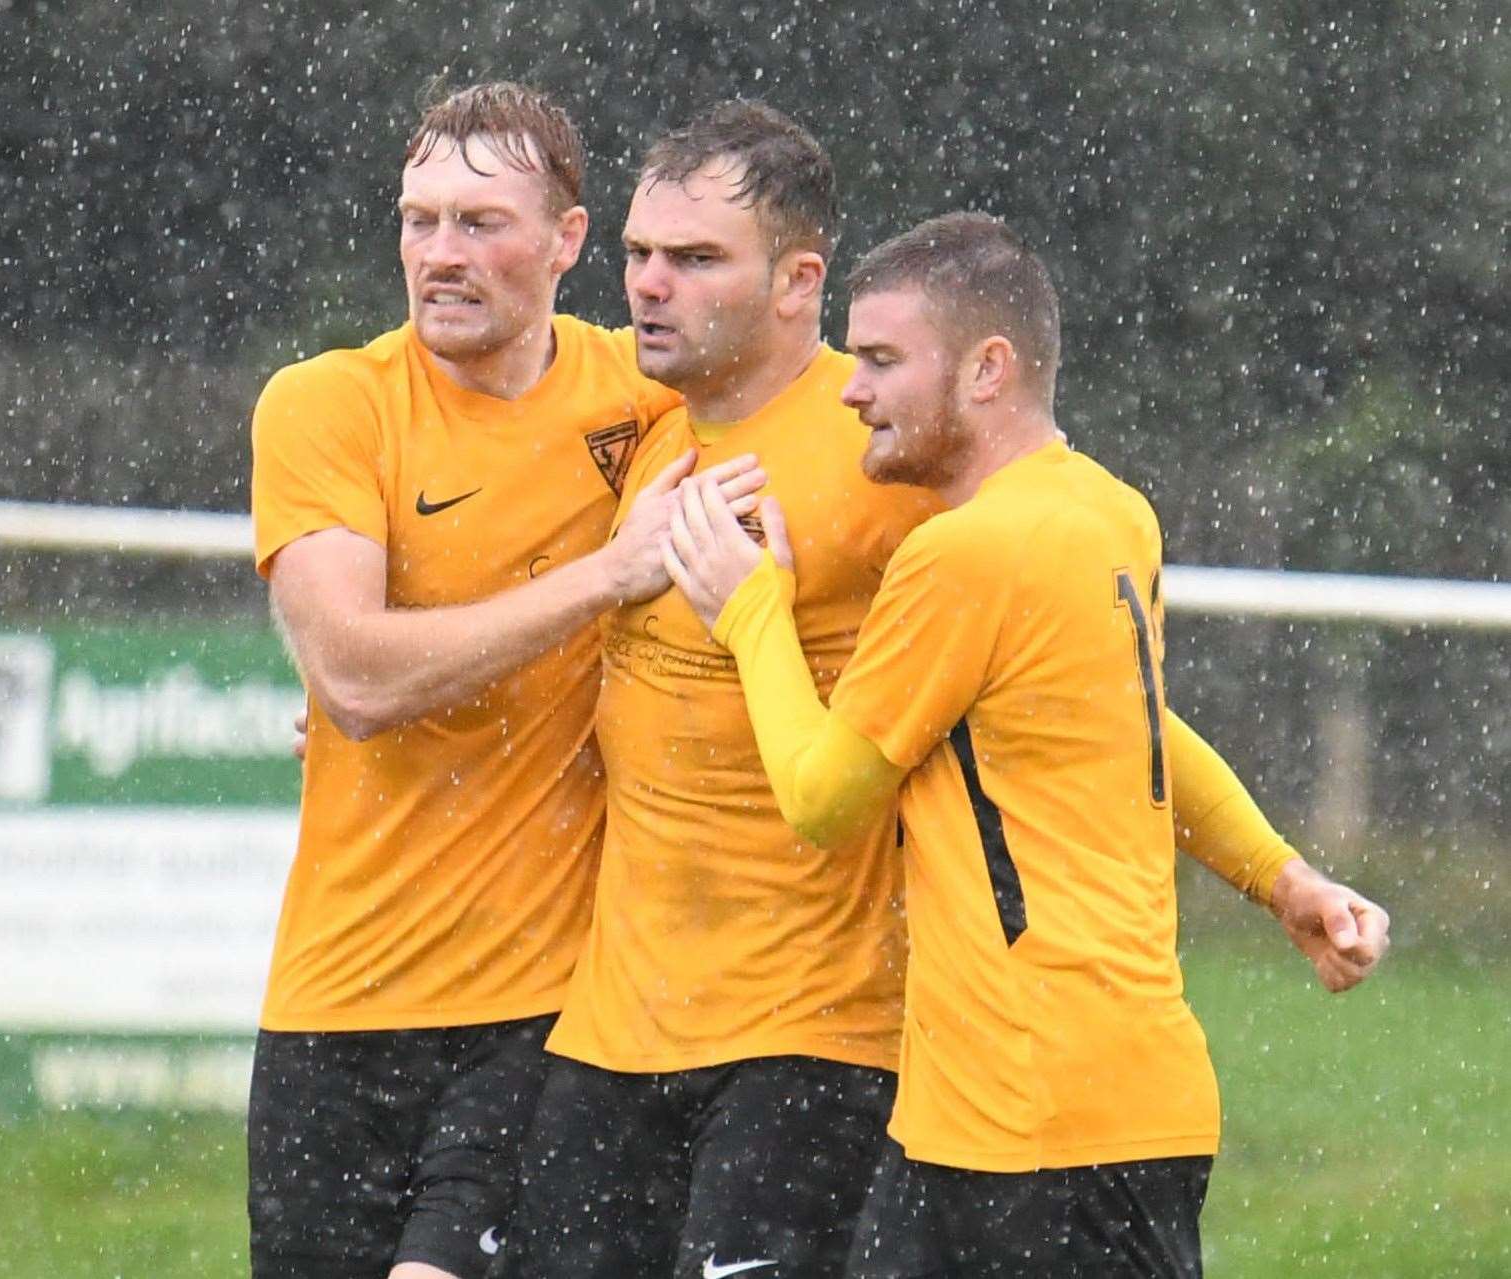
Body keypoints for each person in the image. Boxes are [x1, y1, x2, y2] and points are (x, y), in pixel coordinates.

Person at [500, 104, 1382, 1279]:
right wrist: (1282, 876)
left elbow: (848, 789)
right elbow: (1116, 723)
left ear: (793, 280)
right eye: (637, 255)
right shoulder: (646, 430)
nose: (651, 285)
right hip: (704, 1051)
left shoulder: (923, 505)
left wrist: (747, 605)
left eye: (695, 257)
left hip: (906, 1057)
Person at [247, 81, 763, 1279]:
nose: (439, 253)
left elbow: (826, 439)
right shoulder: (327, 405)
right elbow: (356, 675)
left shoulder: (646, 403)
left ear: (569, 241)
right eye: (418, 220)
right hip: (334, 1006)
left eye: (479, 222)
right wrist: (604, 578)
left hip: (544, 1012)